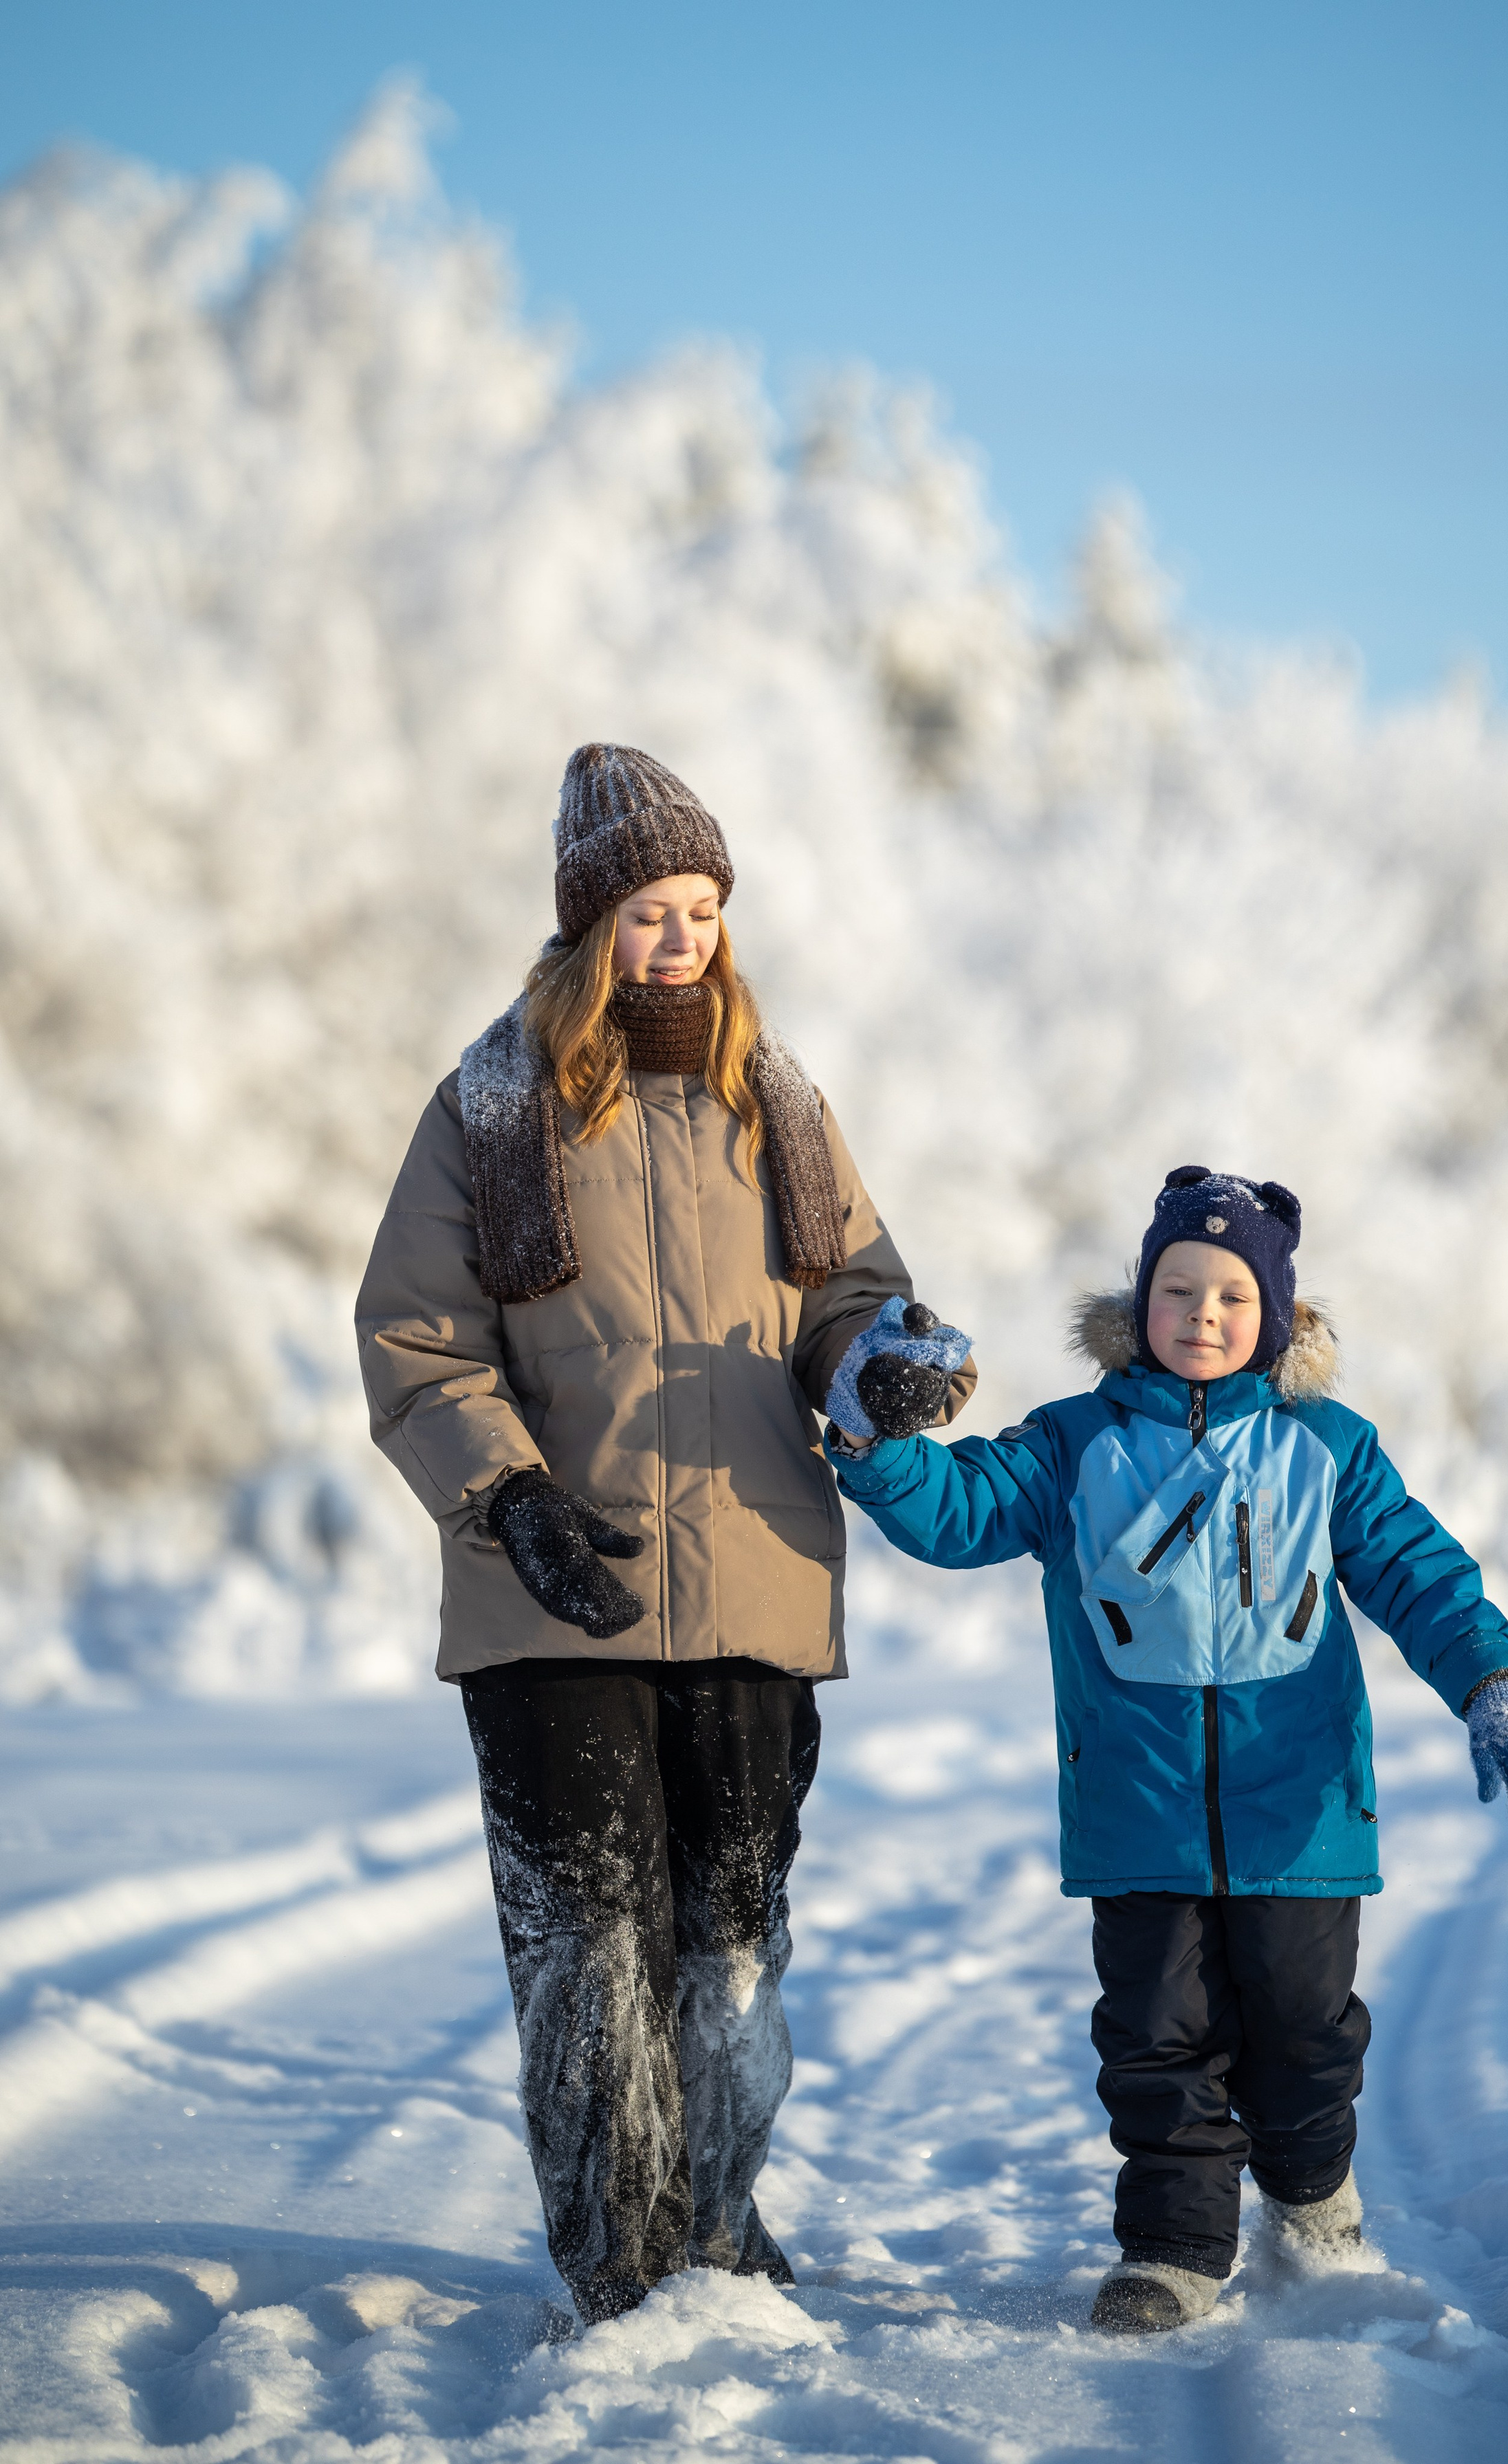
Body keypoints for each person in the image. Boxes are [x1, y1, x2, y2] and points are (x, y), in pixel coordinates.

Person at [355, 743, 975, 2325]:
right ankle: (620, 2262)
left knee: (735, 1943)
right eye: (647, 909)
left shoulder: (778, 1099)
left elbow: (844, 1298)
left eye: (700, 906)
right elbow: (417, 1339)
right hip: (558, 1591)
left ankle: (714, 2220)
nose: (680, 937)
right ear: (587, 924)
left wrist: (880, 1362)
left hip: (758, 1579)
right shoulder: (492, 1106)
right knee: (590, 1944)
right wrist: (507, 1498)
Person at [822, 1164, 1508, 2335]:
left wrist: (1494, 1688)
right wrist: (876, 1438)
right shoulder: (1074, 1446)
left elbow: (1420, 1575)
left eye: (1231, 1295)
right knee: (1156, 2040)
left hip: (1301, 1817)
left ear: (1273, 1314)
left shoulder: (1326, 1447)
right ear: (1140, 1305)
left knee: (1306, 2030)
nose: (1203, 1315)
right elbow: (959, 1511)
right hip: (1138, 1809)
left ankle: (1315, 2195)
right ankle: (1172, 2247)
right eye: (1179, 1290)